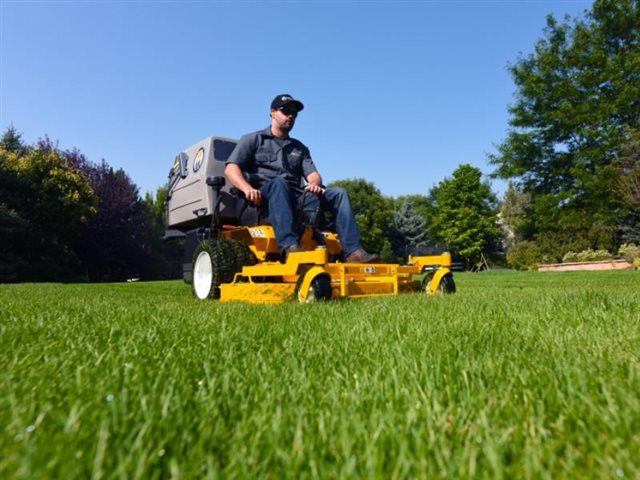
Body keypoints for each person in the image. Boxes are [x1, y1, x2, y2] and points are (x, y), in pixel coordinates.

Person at [225, 94, 380, 263]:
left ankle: (353, 251)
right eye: (286, 111)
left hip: (296, 197)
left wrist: (314, 184)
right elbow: (231, 168)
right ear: (273, 113)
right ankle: (290, 246)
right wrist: (247, 189)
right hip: (264, 199)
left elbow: (313, 175)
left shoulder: (299, 148)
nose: (291, 115)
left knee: (339, 193)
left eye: (294, 113)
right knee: (279, 182)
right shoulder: (253, 139)